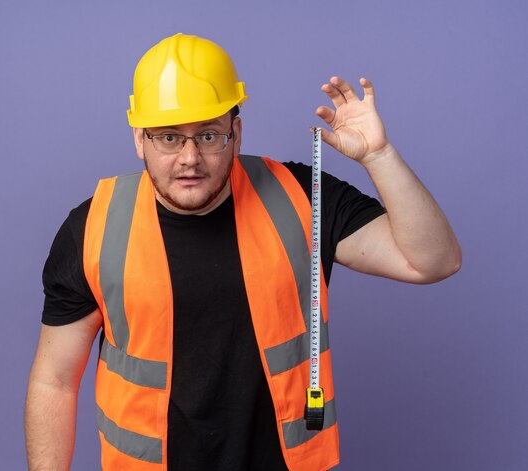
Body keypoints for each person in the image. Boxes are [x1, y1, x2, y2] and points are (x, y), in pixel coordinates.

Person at [24, 33, 461, 471]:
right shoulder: (94, 228)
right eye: (169, 138)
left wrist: (380, 157)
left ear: (236, 131)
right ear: (140, 138)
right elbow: (55, 382)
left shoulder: (300, 197)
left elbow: (432, 261)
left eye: (209, 135)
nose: (190, 158)